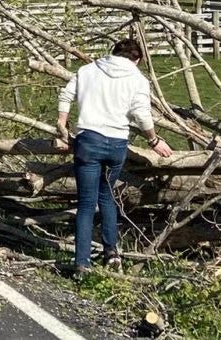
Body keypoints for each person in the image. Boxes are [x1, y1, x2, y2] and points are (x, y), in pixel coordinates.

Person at [55, 37, 174, 278]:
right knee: (107, 196)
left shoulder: (88, 70)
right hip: (116, 144)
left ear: (113, 53)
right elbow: (141, 114)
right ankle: (112, 253)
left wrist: (62, 122)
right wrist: (154, 140)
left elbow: (66, 95)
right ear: (137, 59)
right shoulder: (138, 79)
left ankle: (82, 263)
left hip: (88, 140)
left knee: (87, 203)